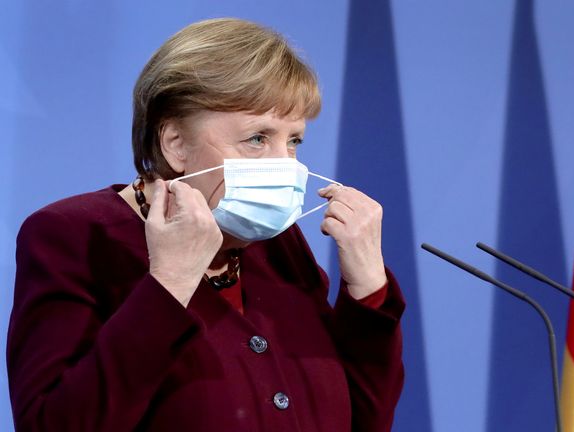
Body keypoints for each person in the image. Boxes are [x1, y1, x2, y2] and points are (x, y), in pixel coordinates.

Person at [7, 18, 404, 432]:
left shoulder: (277, 244)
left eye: (294, 141)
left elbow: (365, 421)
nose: (285, 165)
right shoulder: (74, 235)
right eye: (257, 139)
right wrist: (169, 284)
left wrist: (368, 292)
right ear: (175, 143)